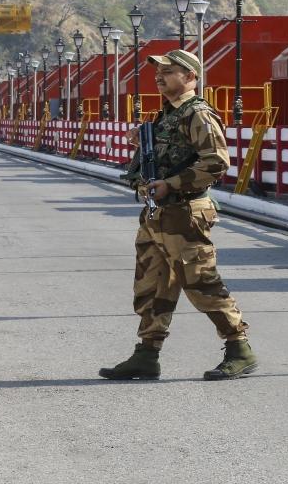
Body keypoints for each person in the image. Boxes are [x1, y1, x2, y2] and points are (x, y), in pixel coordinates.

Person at [100, 49, 257, 381]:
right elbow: (170, 155)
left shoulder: (198, 115)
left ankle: (239, 349)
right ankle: (146, 354)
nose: (159, 77)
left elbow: (216, 162)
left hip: (185, 212)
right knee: (152, 284)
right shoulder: (166, 115)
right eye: (158, 72)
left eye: (169, 72)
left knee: (201, 283)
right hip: (158, 213)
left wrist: (170, 183)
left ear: (190, 77)